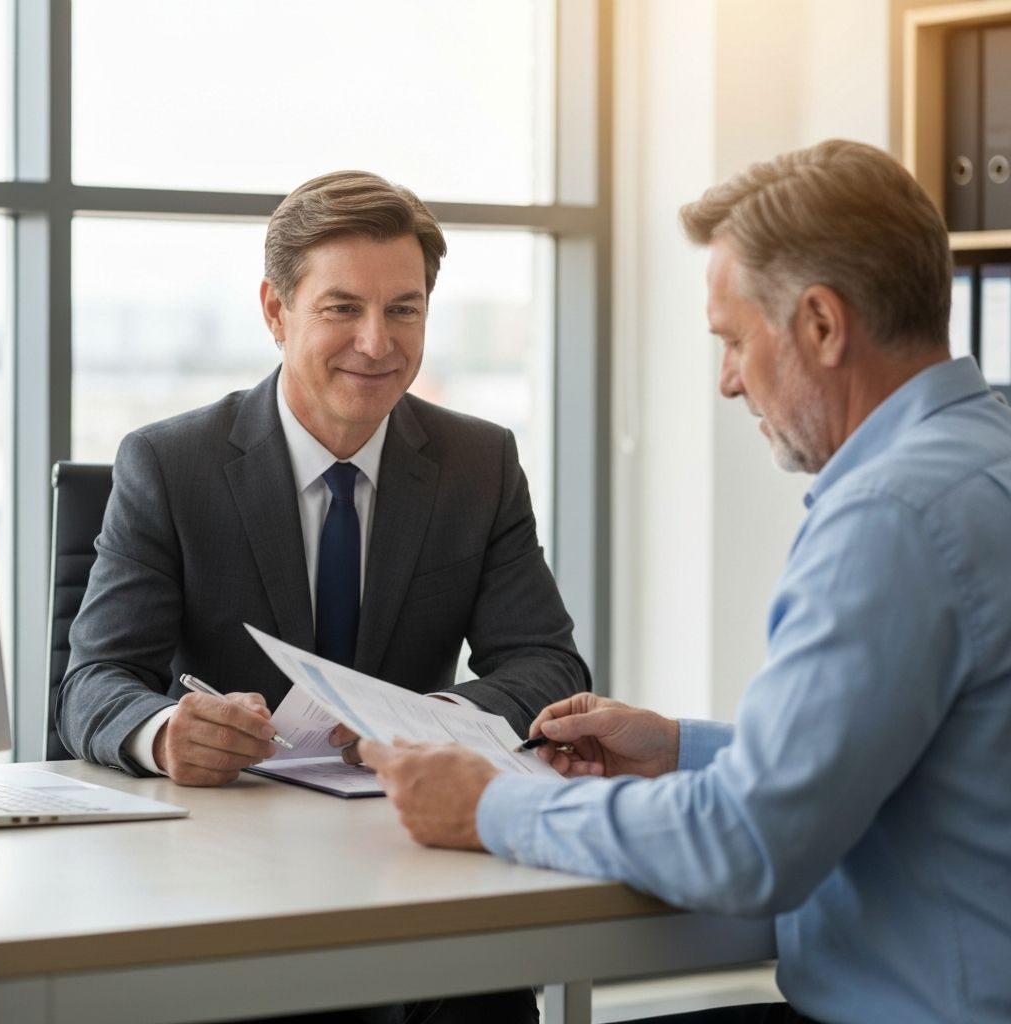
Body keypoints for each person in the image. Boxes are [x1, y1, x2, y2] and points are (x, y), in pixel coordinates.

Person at [360, 139, 1011, 1024]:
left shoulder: (890, 517)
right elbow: (904, 752)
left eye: (735, 340)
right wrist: (680, 750)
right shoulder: (981, 460)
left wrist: (491, 807)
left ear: (822, 325)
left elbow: (749, 846)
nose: (728, 382)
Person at [58, 170, 589, 1023]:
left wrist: (427, 720)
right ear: (277, 311)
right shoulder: (170, 464)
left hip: (415, 863)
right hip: (226, 880)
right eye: (343, 308)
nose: (377, 343)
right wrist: (164, 733)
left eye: (404, 309)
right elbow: (91, 682)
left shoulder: (478, 464)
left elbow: (548, 664)